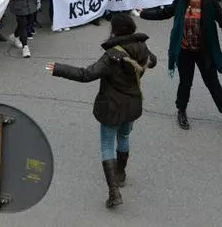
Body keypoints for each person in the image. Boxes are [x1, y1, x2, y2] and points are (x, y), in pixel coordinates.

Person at [45, 13, 157, 209]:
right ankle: (121, 174)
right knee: (124, 137)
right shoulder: (142, 46)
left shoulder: (112, 55)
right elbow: (152, 61)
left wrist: (59, 69)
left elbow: (86, 74)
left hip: (111, 107)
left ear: (115, 30)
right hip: (132, 104)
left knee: (107, 143)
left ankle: (114, 192)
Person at [138, 0, 222, 131]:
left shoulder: (209, 2)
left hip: (203, 51)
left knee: (212, 83)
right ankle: (181, 112)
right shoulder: (180, 1)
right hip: (184, 50)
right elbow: (164, 13)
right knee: (185, 82)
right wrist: (144, 13)